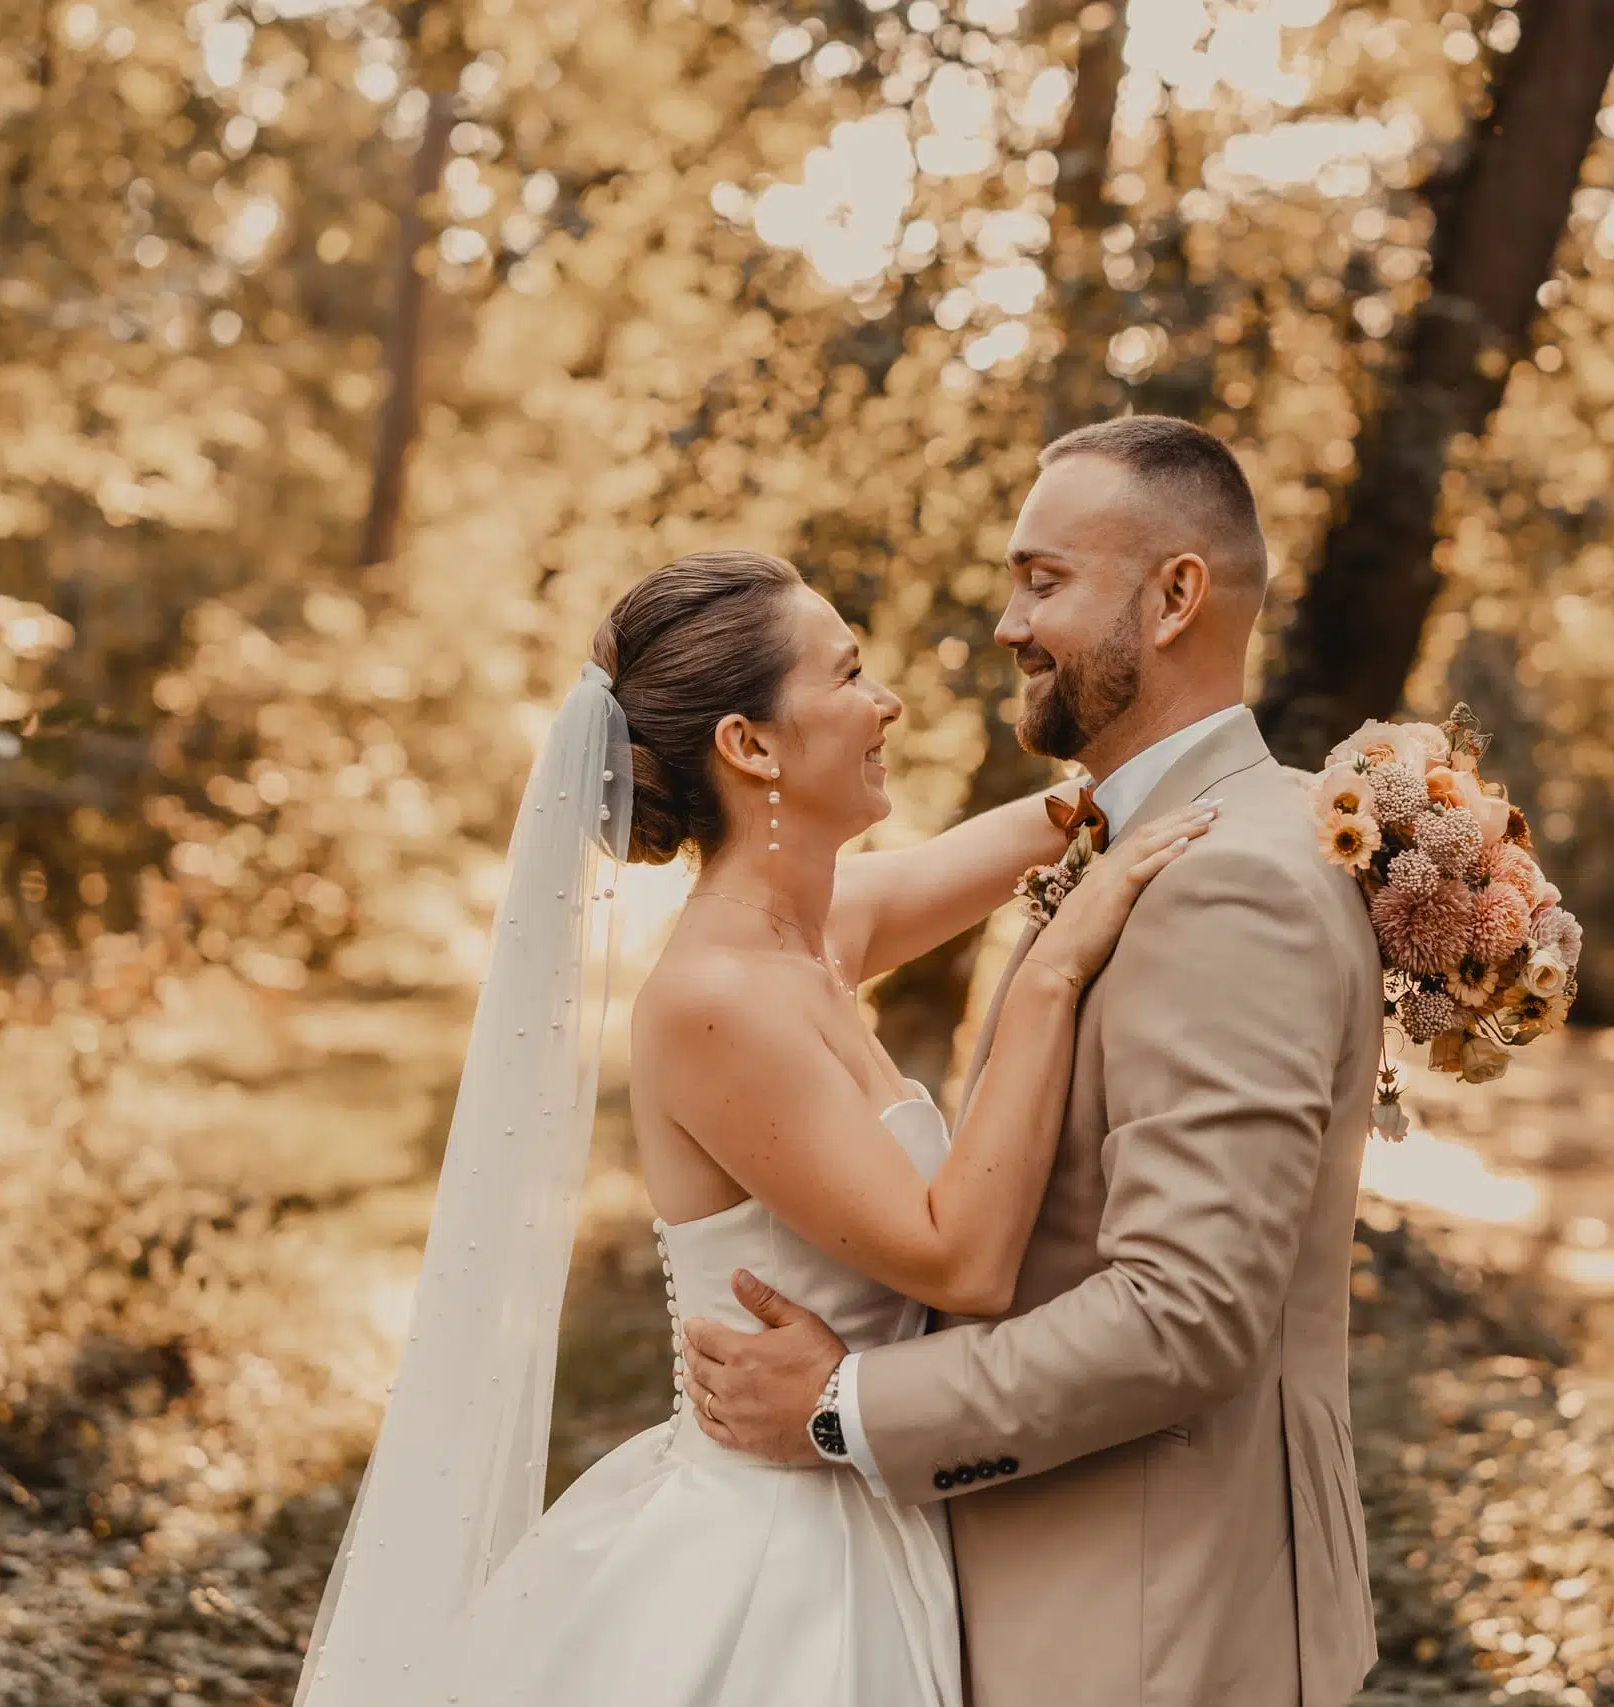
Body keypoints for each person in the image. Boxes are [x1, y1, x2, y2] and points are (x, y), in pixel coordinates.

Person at [293, 543, 1213, 1707]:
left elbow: (1057, 818)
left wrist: (1293, 789)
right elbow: (962, 1261)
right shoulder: (714, 1001)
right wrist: (1050, 974)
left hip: (866, 1501)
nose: (886, 703)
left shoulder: (817, 933)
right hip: (776, 1560)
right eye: (849, 675)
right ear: (751, 745)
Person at [684, 416, 1388, 1707]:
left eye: (1044, 580)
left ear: (1175, 597)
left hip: (1146, 1622)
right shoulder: (1174, 836)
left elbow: (1186, 1311)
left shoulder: (1226, 880)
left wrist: (842, 1404)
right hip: (1042, 1587)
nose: (1009, 623)